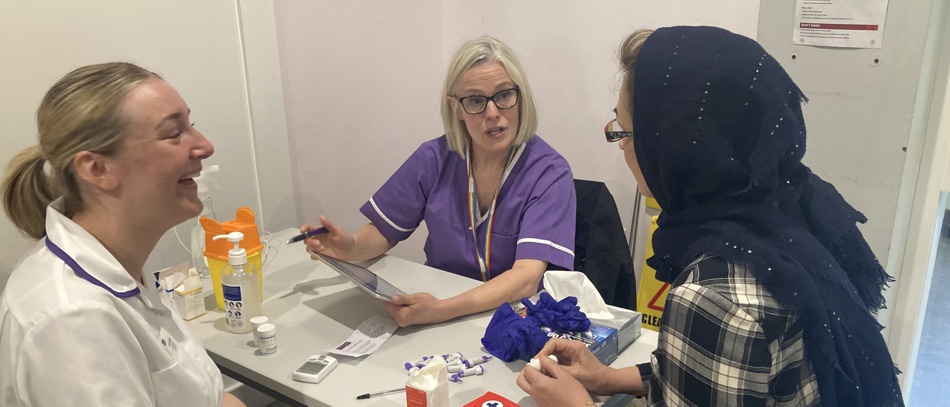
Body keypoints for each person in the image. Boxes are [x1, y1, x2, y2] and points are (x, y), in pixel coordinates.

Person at [517, 26, 905, 406]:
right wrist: (611, 377)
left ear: (676, 146)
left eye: (628, 132)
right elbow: (736, 375)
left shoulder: (714, 298)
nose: (622, 148)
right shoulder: (797, 214)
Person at [0, 62, 246, 406]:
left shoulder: (118, 268)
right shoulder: (71, 319)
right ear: (98, 169)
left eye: (192, 124)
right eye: (174, 133)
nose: (205, 146)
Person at [302, 36, 576, 327]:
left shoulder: (549, 172)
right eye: (475, 101)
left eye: (504, 95)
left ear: (520, 97)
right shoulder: (433, 158)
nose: (493, 113)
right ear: (456, 107)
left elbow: (526, 278)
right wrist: (351, 247)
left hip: (513, 317)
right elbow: (385, 231)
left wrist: (443, 310)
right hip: (440, 306)